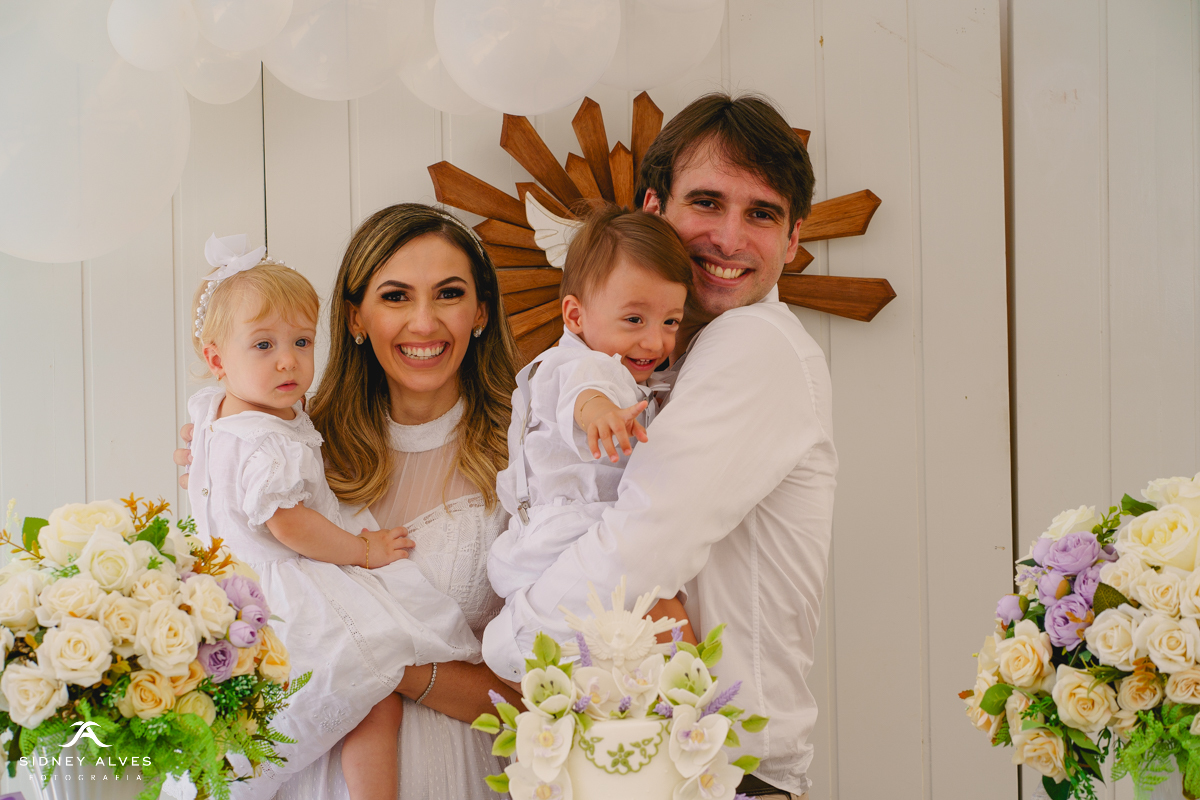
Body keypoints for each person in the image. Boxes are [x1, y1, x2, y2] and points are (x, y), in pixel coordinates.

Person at [481, 93, 835, 800]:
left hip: (730, 771)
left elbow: (642, 547)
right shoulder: (651, 363)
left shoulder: (754, 343)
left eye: (761, 214)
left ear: (794, 239)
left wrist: (510, 642)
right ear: (654, 208)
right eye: (706, 201)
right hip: (653, 755)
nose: (729, 238)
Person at [177, 205, 523, 799]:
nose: (424, 322)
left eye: (448, 293)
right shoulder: (293, 447)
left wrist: (386, 664)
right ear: (356, 317)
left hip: (462, 770)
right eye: (395, 296)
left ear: (481, 312)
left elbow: (547, 700)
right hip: (308, 767)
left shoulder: (528, 456)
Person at [488, 206, 695, 641]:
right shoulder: (578, 365)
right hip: (571, 528)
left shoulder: (620, 372)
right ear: (576, 316)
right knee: (668, 616)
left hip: (549, 533)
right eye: (634, 319)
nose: (655, 341)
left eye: (670, 321)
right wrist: (601, 414)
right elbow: (584, 393)